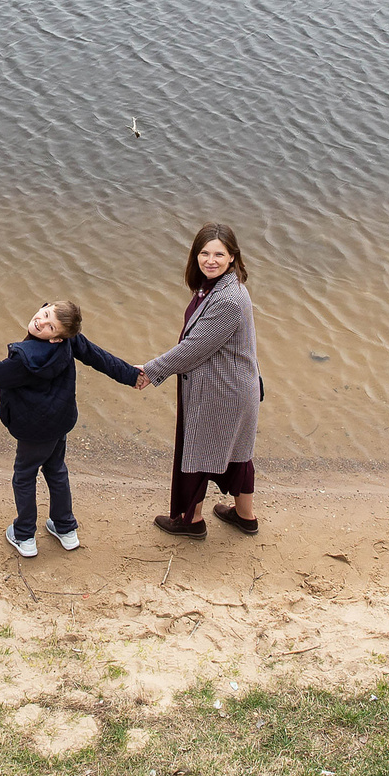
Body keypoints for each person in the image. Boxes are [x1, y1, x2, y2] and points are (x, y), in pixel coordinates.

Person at [0, 300, 140, 558]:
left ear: (57, 338)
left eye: (50, 325)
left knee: (24, 476)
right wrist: (131, 376)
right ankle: (65, 528)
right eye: (44, 314)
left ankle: (24, 535)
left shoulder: (25, 359)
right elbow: (100, 358)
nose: (41, 322)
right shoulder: (70, 341)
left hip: (34, 430)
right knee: (56, 470)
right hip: (60, 421)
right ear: (44, 306)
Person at [139, 223, 261, 539]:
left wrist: (150, 371)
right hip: (235, 385)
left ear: (233, 256)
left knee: (197, 453)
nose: (210, 260)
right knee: (237, 453)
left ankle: (190, 521)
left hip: (221, 391)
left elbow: (194, 348)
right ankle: (244, 517)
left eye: (219, 254)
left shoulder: (228, 299)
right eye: (204, 253)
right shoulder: (219, 287)